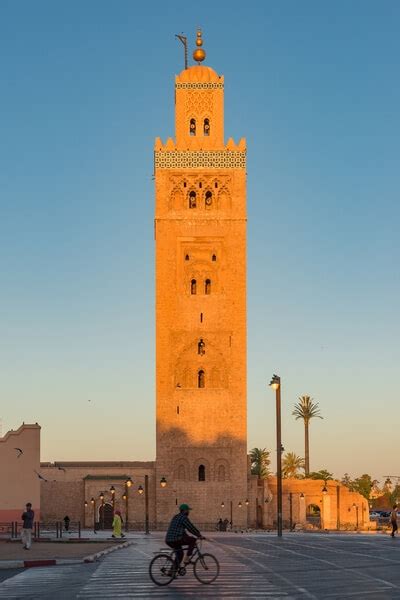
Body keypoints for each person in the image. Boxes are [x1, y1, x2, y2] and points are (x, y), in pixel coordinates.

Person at [166, 503, 203, 570]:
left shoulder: (176, 517)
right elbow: (190, 527)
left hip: (169, 539)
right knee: (193, 540)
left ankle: (172, 572)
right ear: (185, 511)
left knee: (179, 555)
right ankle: (187, 559)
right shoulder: (183, 517)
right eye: (188, 510)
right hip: (175, 539)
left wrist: (188, 536)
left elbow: (181, 531)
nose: (189, 512)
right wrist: (199, 535)